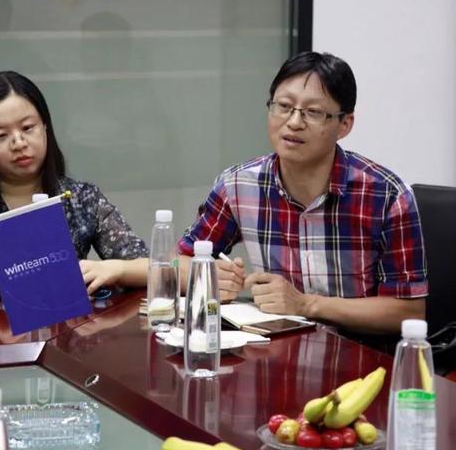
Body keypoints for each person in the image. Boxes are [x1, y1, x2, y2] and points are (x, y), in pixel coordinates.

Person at [178, 52, 427, 334]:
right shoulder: (238, 185)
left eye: (313, 112)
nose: (294, 122)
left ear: (344, 124)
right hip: (277, 352)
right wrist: (209, 274)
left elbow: (409, 312)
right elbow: (179, 261)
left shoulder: (387, 196)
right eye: (284, 106)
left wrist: (306, 304)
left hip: (358, 355)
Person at [0, 71, 148, 294]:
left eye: (27, 128)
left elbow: (152, 267)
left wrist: (116, 269)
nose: (19, 143)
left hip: (67, 316)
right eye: (0, 135)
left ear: (45, 127)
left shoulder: (80, 198)